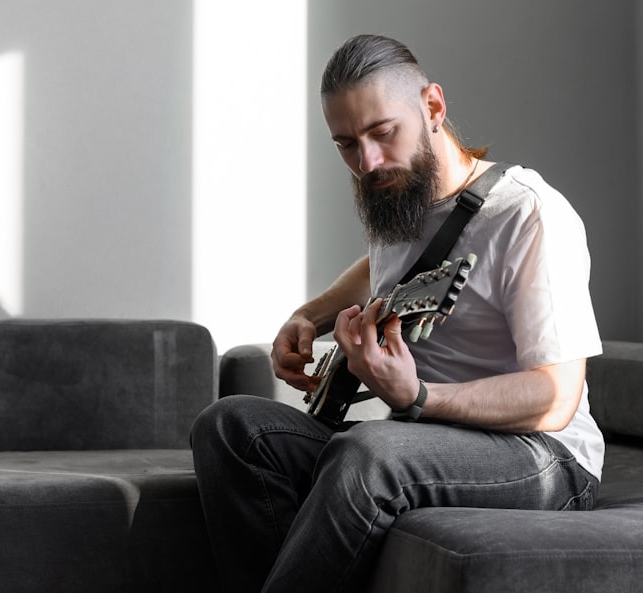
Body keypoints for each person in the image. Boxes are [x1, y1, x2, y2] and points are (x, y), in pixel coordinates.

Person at [190, 34, 603, 593]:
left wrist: (419, 397)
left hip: (542, 456)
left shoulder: (528, 214)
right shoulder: (401, 200)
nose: (368, 162)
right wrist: (307, 316)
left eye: (383, 133)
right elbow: (379, 267)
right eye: (346, 144)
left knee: (370, 450)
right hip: (427, 439)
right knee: (231, 425)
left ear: (433, 107)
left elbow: (555, 397)